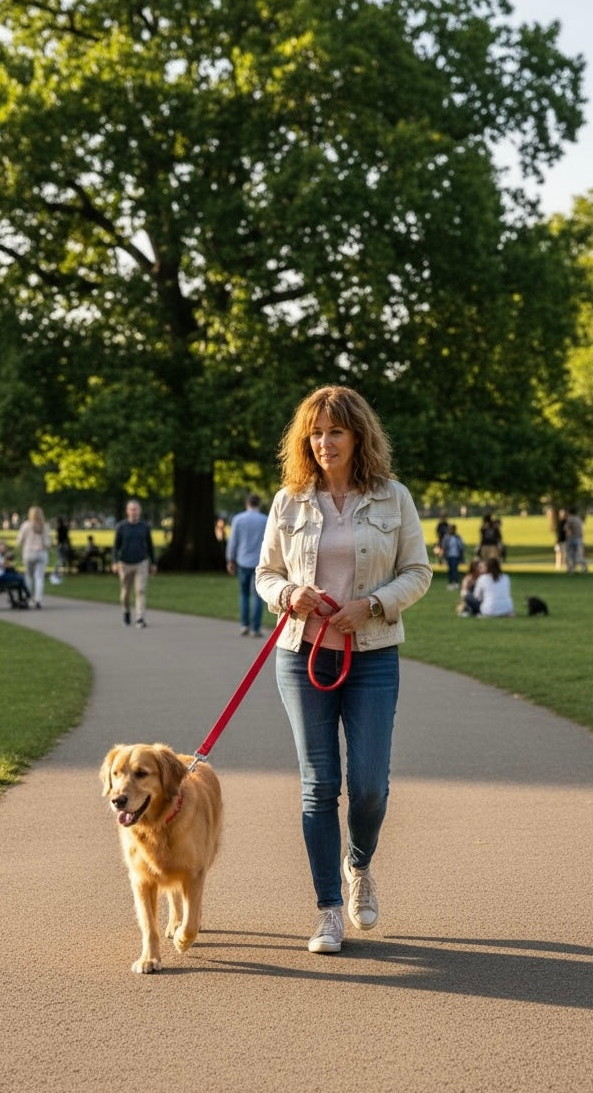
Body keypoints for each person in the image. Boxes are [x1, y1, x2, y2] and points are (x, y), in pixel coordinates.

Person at [255, 385, 432, 955]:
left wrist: (374, 605)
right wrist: (288, 595)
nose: (324, 442)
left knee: (369, 787)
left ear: (358, 436)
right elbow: (265, 574)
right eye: (315, 432)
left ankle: (360, 864)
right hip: (301, 654)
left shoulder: (392, 497)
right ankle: (328, 910)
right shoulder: (289, 501)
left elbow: (418, 571)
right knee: (319, 787)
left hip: (372, 654)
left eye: (335, 431)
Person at [225, 493, 269, 637]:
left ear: (247, 504)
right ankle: (255, 628)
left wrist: (230, 559)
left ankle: (244, 625)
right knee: (257, 596)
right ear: (259, 504)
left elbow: (233, 541)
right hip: (259, 561)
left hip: (242, 560)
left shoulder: (238, 519)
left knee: (244, 594)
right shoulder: (265, 520)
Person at [112, 499, 157, 627]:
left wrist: (153, 562)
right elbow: (116, 546)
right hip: (125, 563)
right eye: (131, 509)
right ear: (127, 511)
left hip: (141, 563)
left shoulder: (144, 527)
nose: (134, 512)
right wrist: (115, 561)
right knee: (125, 593)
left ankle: (140, 618)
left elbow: (150, 545)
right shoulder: (121, 527)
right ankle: (126, 612)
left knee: (140, 590)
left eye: (136, 509)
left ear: (139, 511)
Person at [16, 505, 52, 608]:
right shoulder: (44, 526)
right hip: (41, 553)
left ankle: (27, 597)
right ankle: (38, 599)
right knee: (39, 577)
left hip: (28, 553)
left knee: (28, 576)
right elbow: (48, 543)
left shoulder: (26, 525)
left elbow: (19, 541)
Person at [441, 523, 465, 589]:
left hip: (456, 555)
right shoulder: (447, 537)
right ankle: (451, 582)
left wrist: (461, 555)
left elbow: (461, 546)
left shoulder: (457, 537)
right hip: (449, 555)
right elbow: (444, 546)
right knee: (450, 570)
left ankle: (455, 582)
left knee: (454, 569)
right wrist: (443, 555)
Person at [565, 508, 588, 573]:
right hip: (579, 538)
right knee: (579, 554)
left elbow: (567, 529)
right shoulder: (579, 519)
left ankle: (571, 568)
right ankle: (584, 567)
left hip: (572, 538)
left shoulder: (570, 519)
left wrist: (567, 537)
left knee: (570, 554)